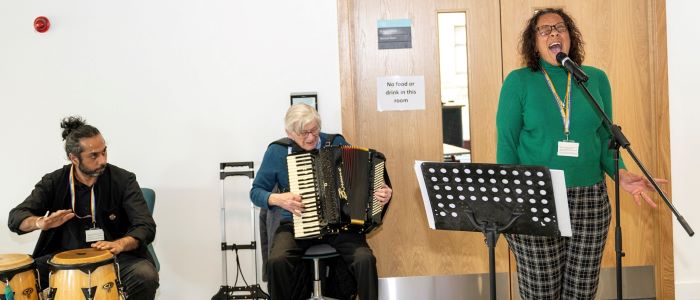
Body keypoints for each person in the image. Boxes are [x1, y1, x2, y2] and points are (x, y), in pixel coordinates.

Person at [496, 8, 665, 300]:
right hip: (537, 198)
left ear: (570, 36)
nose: (553, 33)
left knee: (581, 292)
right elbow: (507, 144)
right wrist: (512, 201)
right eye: (544, 30)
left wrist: (621, 173)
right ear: (533, 43)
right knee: (541, 292)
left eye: (560, 27)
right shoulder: (518, 82)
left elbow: (604, 137)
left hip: (590, 199)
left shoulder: (594, 79)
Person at [250, 104, 392, 300]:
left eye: (314, 130)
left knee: (364, 259)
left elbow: (362, 178)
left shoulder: (335, 142)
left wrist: (382, 191)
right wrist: (276, 198)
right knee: (277, 261)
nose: (310, 137)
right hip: (295, 224)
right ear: (290, 133)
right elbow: (256, 192)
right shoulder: (277, 151)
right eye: (303, 133)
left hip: (339, 226)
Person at [7, 116, 159, 299]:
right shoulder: (54, 182)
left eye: (104, 152)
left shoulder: (124, 180)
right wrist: (40, 223)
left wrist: (121, 243)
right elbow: (16, 217)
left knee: (144, 275)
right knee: (17, 278)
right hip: (62, 259)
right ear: (74, 158)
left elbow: (145, 226)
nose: (102, 160)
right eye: (94, 155)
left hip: (114, 257)